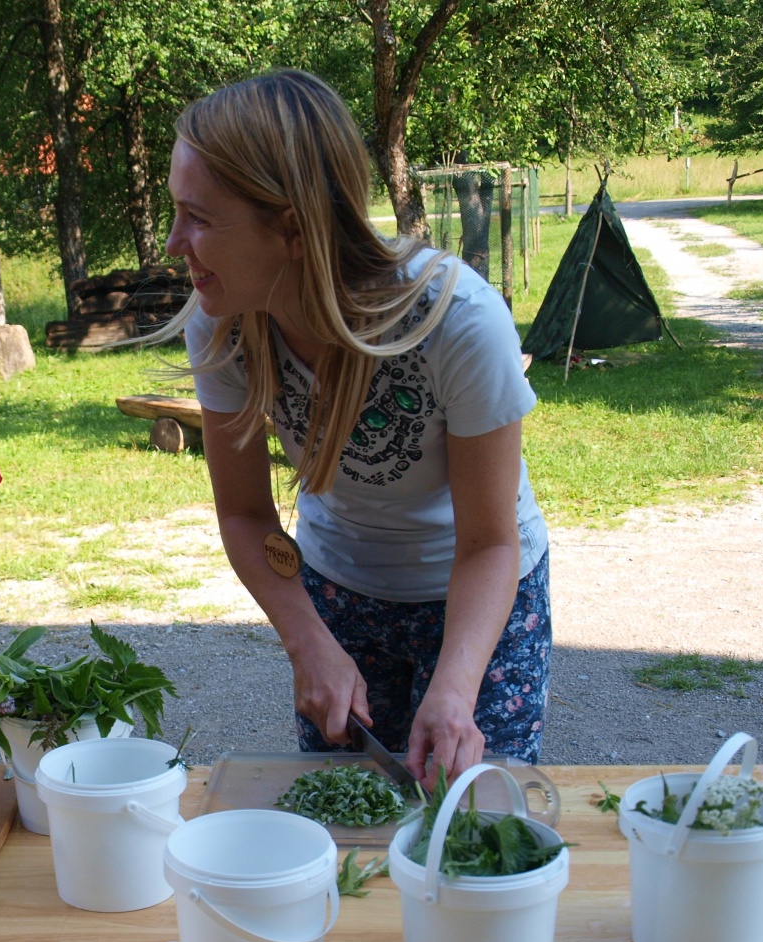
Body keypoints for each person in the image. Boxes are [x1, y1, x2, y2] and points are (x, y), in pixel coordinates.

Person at [159, 70, 550, 786]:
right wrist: (308, 641)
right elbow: (245, 515)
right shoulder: (221, 322)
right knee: (348, 835)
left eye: (200, 217)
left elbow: (491, 541)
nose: (173, 241)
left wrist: (456, 689)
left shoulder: (456, 321)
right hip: (336, 593)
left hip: (477, 604)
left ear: (292, 224)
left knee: (470, 830)